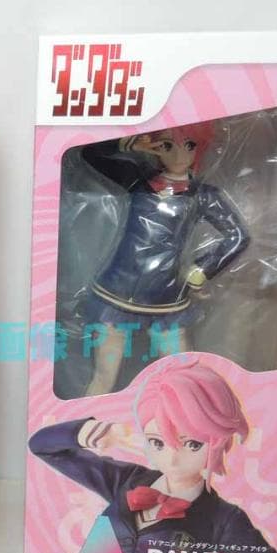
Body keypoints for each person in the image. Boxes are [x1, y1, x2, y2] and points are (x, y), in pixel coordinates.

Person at [28, 358, 277, 553]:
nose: (172, 458)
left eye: (193, 445)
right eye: (158, 442)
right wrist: (100, 431)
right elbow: (42, 446)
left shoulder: (222, 518)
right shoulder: (126, 481)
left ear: (218, 439)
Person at [75, 123, 249, 396]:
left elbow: (238, 236)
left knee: (183, 376)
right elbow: (89, 154)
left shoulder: (203, 195)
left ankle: (180, 417)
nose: (179, 155)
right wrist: (130, 145)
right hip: (116, 291)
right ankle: (89, 419)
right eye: (167, 146)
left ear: (199, 148)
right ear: (155, 148)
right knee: (103, 378)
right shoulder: (137, 180)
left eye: (189, 145)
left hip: (166, 299)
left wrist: (201, 270)